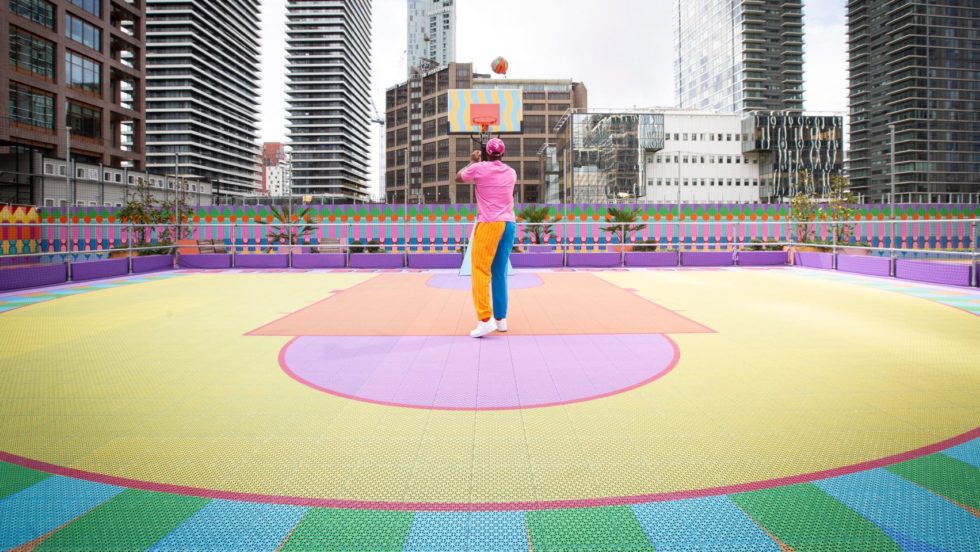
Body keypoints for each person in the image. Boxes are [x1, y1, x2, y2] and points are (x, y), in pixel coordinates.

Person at [455, 137, 517, 338]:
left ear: (487, 152)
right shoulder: (511, 172)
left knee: (480, 271)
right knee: (499, 272)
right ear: (503, 153)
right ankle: (501, 319)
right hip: (509, 224)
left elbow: (458, 178)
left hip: (489, 223)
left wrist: (473, 161)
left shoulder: (479, 168)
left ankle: (484, 319)